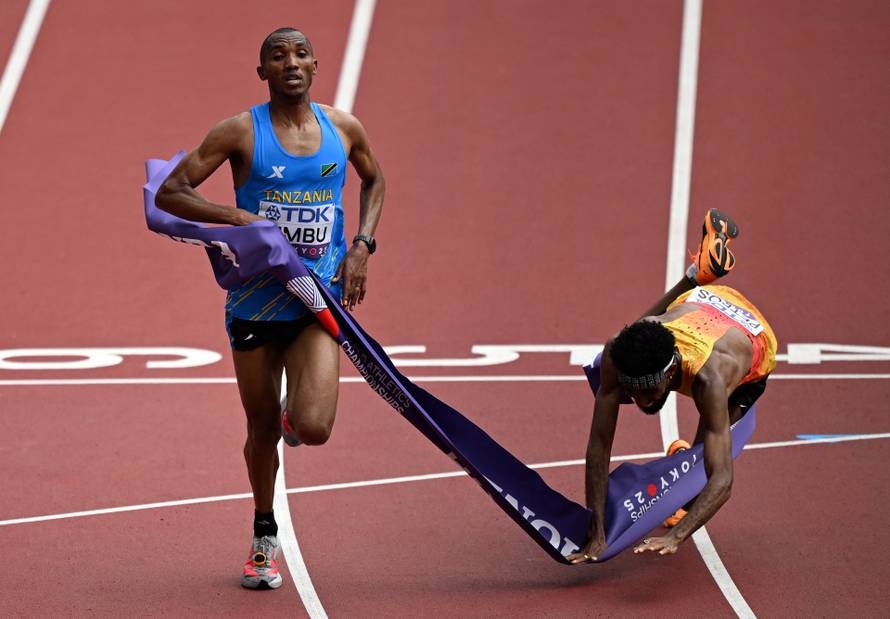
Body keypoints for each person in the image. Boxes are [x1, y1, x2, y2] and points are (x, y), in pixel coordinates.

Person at [155, 27, 385, 588]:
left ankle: (292, 416)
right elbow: (169, 191)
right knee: (259, 428)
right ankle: (264, 535)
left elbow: (375, 181)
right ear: (262, 72)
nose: (290, 63)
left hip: (315, 296)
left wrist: (361, 245)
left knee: (313, 426)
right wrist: (233, 216)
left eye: (300, 53)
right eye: (277, 56)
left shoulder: (343, 128)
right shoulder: (240, 132)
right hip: (255, 303)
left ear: (315, 65)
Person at [567, 210, 776, 564]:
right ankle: (698, 276)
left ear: (666, 376)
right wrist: (596, 531)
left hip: (750, 340)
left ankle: (684, 462)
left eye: (644, 392)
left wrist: (677, 535)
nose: (637, 400)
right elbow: (598, 446)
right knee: (612, 361)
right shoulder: (620, 350)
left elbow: (723, 480)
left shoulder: (710, 381)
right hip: (699, 306)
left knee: (701, 472)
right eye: (632, 391)